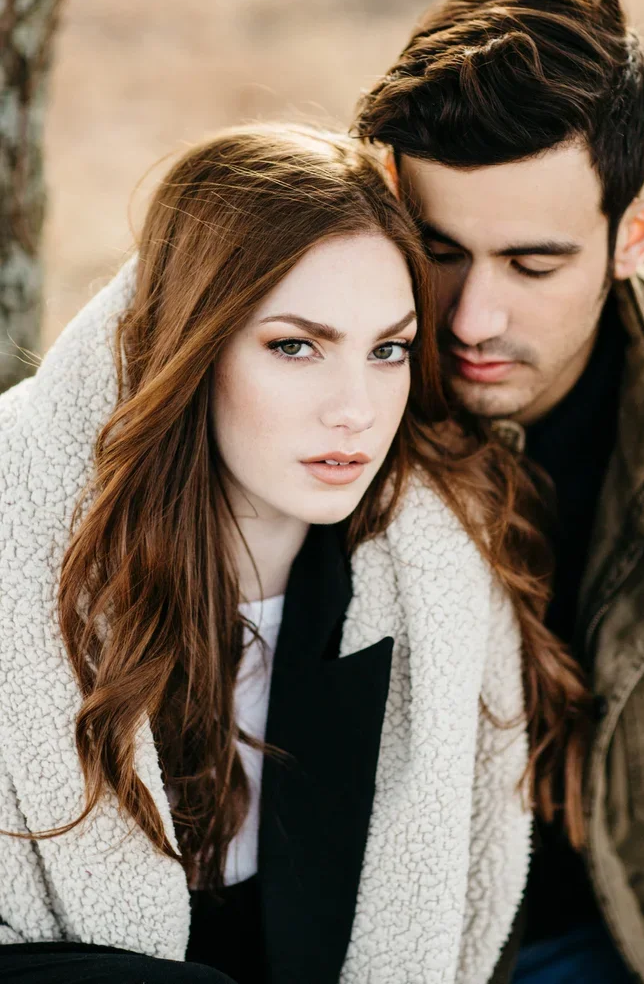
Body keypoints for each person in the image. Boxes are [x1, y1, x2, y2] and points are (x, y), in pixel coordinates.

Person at [0, 124, 587, 984]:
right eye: (295, 346)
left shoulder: (431, 578)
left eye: (387, 348)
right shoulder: (27, 551)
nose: (355, 408)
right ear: (193, 348)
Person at [355, 0, 644, 984]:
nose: (473, 320)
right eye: (438, 250)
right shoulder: (317, 391)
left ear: (637, 235)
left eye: (535, 265)